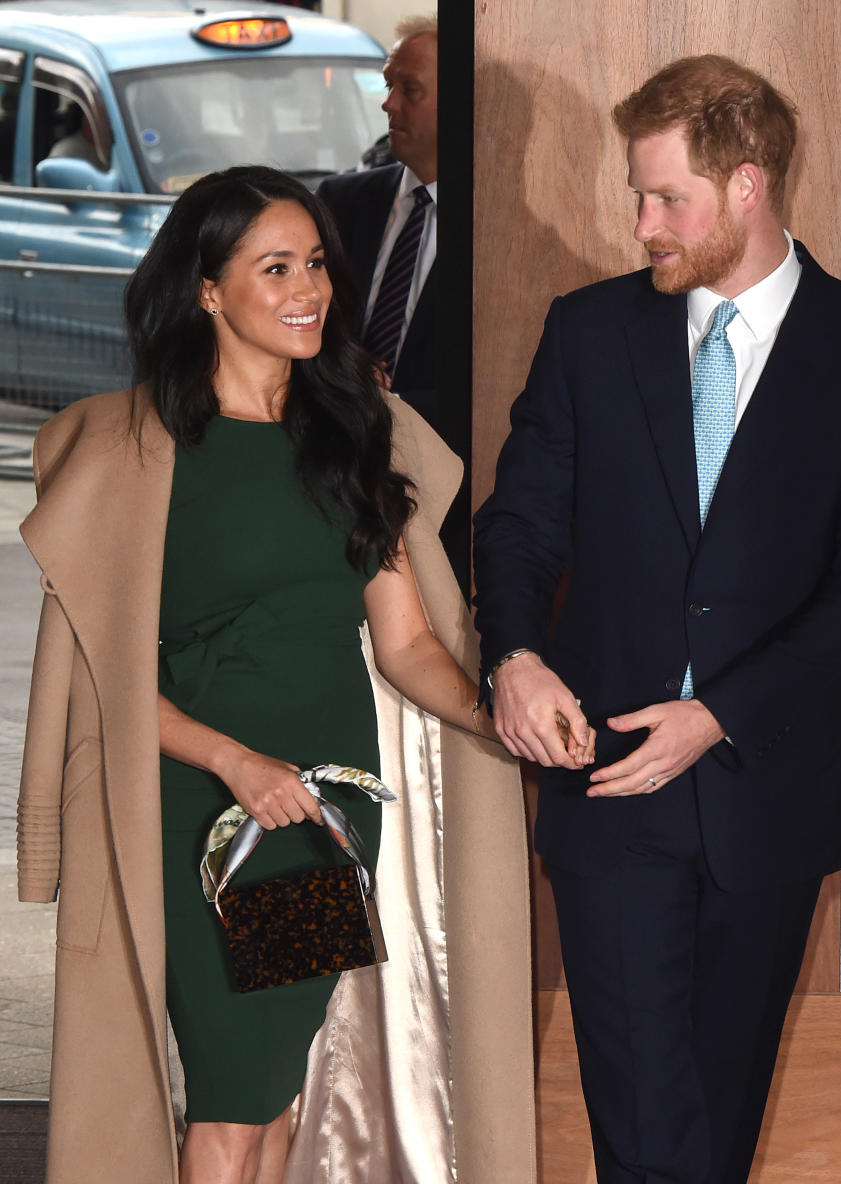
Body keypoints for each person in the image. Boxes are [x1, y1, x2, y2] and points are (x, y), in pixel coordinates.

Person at [17, 166, 544, 1184]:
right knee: (230, 1089)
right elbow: (105, 685)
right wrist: (235, 758)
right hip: (202, 809)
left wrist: (501, 715)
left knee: (274, 1088)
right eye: (275, 268)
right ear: (207, 289)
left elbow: (408, 645)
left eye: (315, 264)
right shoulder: (139, 452)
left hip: (323, 811)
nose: (309, 289)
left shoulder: (349, 433)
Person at [473, 55, 841, 1184]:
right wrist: (516, 652)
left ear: (747, 185)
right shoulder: (588, 332)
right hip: (612, 773)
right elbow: (520, 521)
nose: (641, 225)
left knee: (718, 1114)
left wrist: (717, 713)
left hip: (768, 782)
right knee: (644, 1109)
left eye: (666, 197)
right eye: (637, 195)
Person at [315, 16, 472, 591]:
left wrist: (395, 402)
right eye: (389, 85)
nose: (388, 105)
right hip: (331, 474)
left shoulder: (497, 230)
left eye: (410, 90)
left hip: (443, 491)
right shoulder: (340, 200)